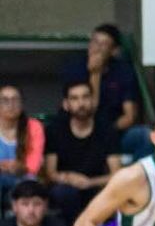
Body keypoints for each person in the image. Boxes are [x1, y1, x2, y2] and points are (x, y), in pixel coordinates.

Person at [59, 24, 147, 159]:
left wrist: (107, 132)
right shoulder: (74, 68)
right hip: (78, 132)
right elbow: (86, 109)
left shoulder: (123, 71)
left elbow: (129, 117)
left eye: (104, 44)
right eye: (94, 41)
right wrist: (95, 75)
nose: (97, 48)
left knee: (143, 135)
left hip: (112, 131)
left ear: (114, 51)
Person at [44, 79, 121, 224]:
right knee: (64, 193)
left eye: (86, 97)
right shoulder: (55, 130)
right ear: (66, 104)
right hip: (66, 188)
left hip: (96, 186)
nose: (81, 103)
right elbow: (50, 173)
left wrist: (90, 182)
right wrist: (69, 177)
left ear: (93, 100)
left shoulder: (106, 129)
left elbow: (117, 173)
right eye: (75, 98)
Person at [0, 84, 44, 204]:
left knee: (29, 184)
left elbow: (34, 163)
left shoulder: (34, 126)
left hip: (23, 177)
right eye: (5, 100)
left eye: (15, 100)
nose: (11, 105)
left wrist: (21, 168)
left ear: (22, 104)